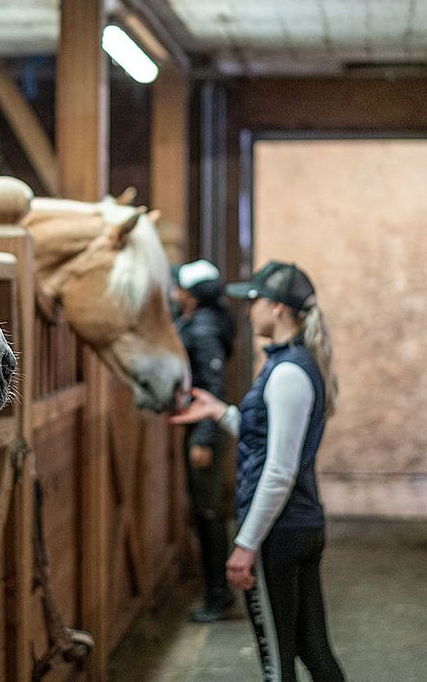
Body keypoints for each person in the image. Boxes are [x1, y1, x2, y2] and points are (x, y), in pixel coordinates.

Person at [171, 261, 345, 682]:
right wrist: (223, 413)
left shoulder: (286, 372)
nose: (248, 311)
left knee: (276, 663)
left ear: (279, 309)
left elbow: (280, 469)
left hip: (279, 532)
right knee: (312, 648)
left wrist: (246, 544)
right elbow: (269, 437)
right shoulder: (295, 362)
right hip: (299, 524)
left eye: (255, 301)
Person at [171, 260, 236, 622]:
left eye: (180, 288)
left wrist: (205, 439)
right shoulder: (201, 321)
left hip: (203, 429)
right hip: (199, 426)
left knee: (208, 511)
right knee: (205, 510)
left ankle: (218, 593)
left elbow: (214, 388)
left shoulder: (204, 328)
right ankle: (216, 590)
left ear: (192, 295)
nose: (174, 293)